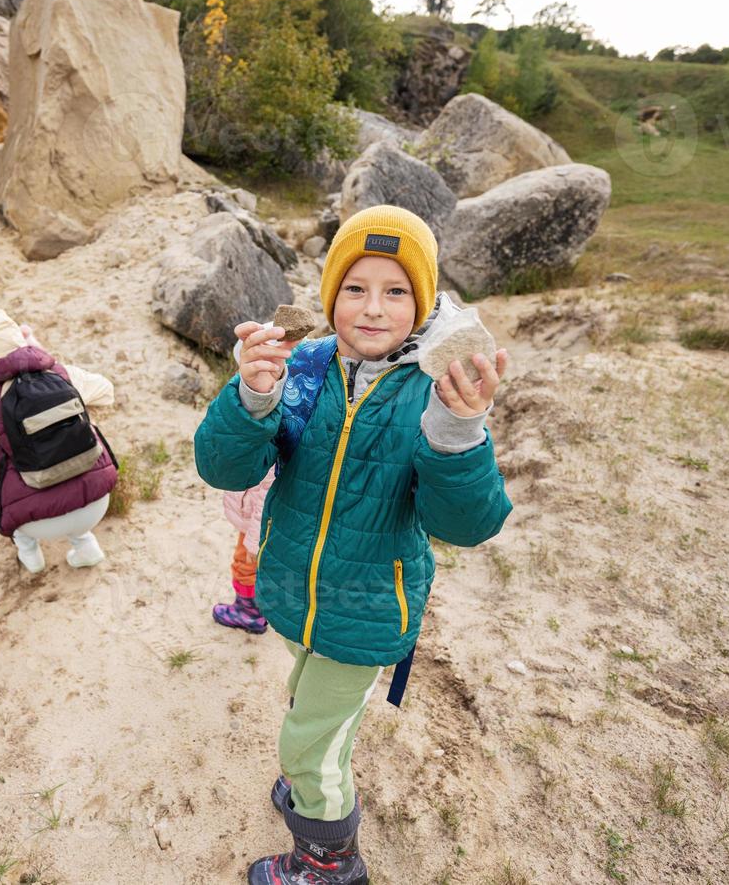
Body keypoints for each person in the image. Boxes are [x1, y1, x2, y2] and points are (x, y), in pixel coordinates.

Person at [194, 205, 514, 884]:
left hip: (367, 609)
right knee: (307, 703)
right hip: (294, 591)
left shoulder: (437, 391)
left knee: (306, 742)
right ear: (330, 293)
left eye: (396, 291)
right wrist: (252, 396)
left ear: (422, 300)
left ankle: (327, 857)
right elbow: (225, 469)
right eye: (355, 288)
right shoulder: (304, 365)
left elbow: (468, 524)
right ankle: (317, 789)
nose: (372, 309)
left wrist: (460, 432)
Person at [0, 309, 118, 573]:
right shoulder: (62, 373)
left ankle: (28, 551)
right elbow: (107, 392)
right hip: (97, 502)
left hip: (38, 521)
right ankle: (85, 544)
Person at [213, 469, 275, 634]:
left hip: (258, 526)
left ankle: (248, 612)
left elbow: (267, 500)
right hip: (256, 517)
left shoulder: (275, 454)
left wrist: (255, 542)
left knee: (245, 566)